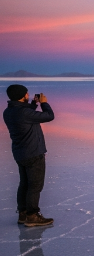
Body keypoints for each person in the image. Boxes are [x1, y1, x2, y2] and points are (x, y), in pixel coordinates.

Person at [3, 84, 55, 227]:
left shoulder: (9, 111)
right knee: (35, 185)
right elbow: (49, 116)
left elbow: (25, 113)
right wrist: (44, 103)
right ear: (22, 95)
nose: (28, 95)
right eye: (27, 94)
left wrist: (33, 104)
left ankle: (23, 214)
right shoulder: (24, 113)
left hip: (20, 153)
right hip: (33, 153)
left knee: (24, 184)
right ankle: (32, 216)